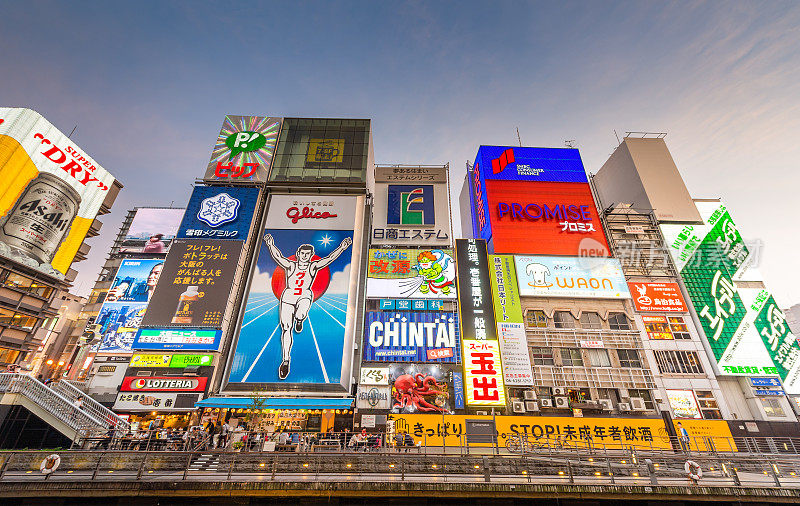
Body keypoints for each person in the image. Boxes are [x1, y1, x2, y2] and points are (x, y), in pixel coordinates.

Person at [262, 233, 352, 380]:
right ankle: (285, 361)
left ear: (311, 255)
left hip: (304, 294)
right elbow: (278, 257)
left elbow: (328, 259)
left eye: (307, 254)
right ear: (298, 254)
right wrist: (271, 244)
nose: (304, 256)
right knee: (286, 328)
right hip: (288, 296)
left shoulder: (313, 267)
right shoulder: (291, 265)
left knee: (301, 311)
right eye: (302, 253)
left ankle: (299, 319)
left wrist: (342, 248)